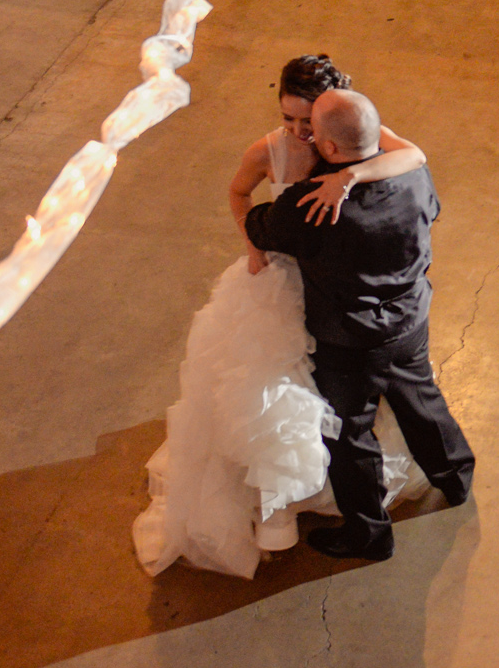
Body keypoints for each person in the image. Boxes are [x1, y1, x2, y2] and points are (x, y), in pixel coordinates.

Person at [133, 55, 434, 578]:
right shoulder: (268, 149)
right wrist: (252, 246)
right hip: (282, 283)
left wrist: (352, 176)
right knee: (271, 395)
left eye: (307, 121)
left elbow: (414, 155)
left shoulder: (349, 133)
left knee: (335, 395)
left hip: (336, 294)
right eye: (289, 119)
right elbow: (238, 191)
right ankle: (277, 513)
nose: (299, 133)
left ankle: (337, 489)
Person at [242, 88, 476, 562]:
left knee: (351, 432)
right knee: (420, 397)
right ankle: (456, 478)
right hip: (409, 318)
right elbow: (431, 211)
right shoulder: (414, 175)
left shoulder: (311, 206)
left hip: (347, 340)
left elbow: (260, 227)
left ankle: (370, 533)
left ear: (327, 148)